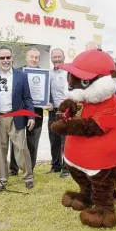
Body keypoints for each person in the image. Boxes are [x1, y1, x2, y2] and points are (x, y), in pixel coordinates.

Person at [0, 45, 35, 190]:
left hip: (16, 118)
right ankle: (1, 180)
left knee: (22, 149)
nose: (5, 60)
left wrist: (31, 117)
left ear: (12, 59)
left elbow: (27, 98)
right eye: (2, 58)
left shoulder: (21, 76)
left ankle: (28, 176)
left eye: (8, 57)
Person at [9, 48, 43, 175]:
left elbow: (48, 92)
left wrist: (48, 102)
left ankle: (30, 168)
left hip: (37, 112)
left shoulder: (44, 74)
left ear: (39, 59)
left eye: (36, 57)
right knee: (15, 140)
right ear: (26, 58)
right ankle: (13, 169)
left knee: (32, 142)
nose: (33, 59)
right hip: (19, 111)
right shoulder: (17, 73)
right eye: (31, 57)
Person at [45, 48, 70, 177]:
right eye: (54, 57)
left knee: (66, 141)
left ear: (64, 57)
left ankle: (66, 169)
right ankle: (55, 166)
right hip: (52, 110)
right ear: (51, 59)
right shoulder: (48, 74)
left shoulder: (69, 73)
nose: (57, 59)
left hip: (65, 111)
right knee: (53, 139)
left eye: (59, 57)